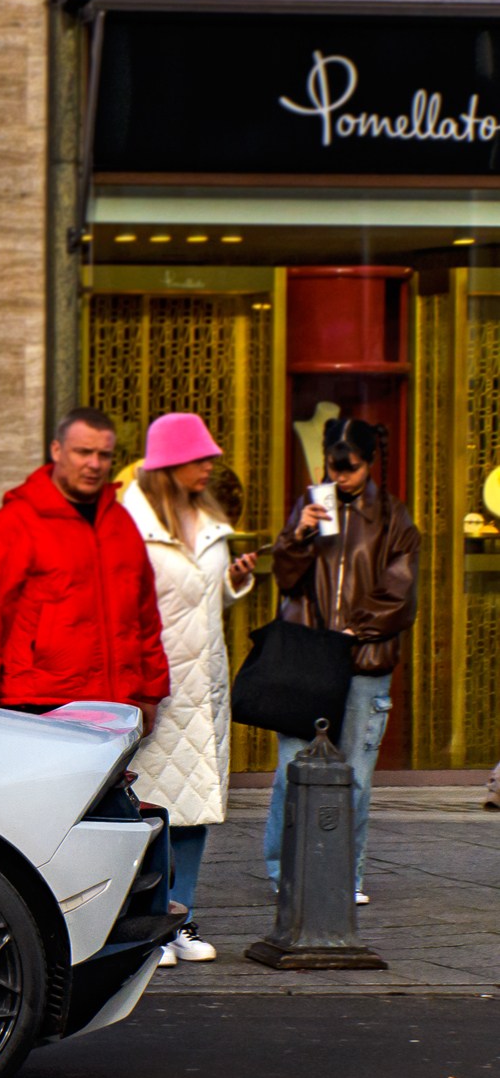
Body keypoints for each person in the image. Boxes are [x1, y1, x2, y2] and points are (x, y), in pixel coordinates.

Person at [119, 412, 258, 963]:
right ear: (170, 463)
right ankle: (146, 926)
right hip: (154, 687)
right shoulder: (131, 521)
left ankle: (183, 919)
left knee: (196, 805)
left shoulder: (207, 518)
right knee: (150, 810)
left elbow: (201, 601)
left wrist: (233, 583)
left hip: (204, 687)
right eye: (199, 458)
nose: (209, 466)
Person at [262, 416, 419, 905]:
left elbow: (401, 594)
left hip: (363, 664)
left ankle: (344, 876)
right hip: (308, 663)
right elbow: (285, 579)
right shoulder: (310, 507)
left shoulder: (394, 518)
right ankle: (283, 873)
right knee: (292, 769)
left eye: (349, 468)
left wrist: (354, 631)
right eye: (333, 467)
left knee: (355, 775)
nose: (340, 477)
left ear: (370, 464)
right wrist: (299, 534)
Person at [0, 405, 169, 714]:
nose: (94, 464)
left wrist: (149, 693)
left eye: (104, 455)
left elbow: (145, 615)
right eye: (83, 452)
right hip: (39, 702)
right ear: (57, 450)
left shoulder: (120, 522)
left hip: (116, 703)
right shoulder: (16, 521)